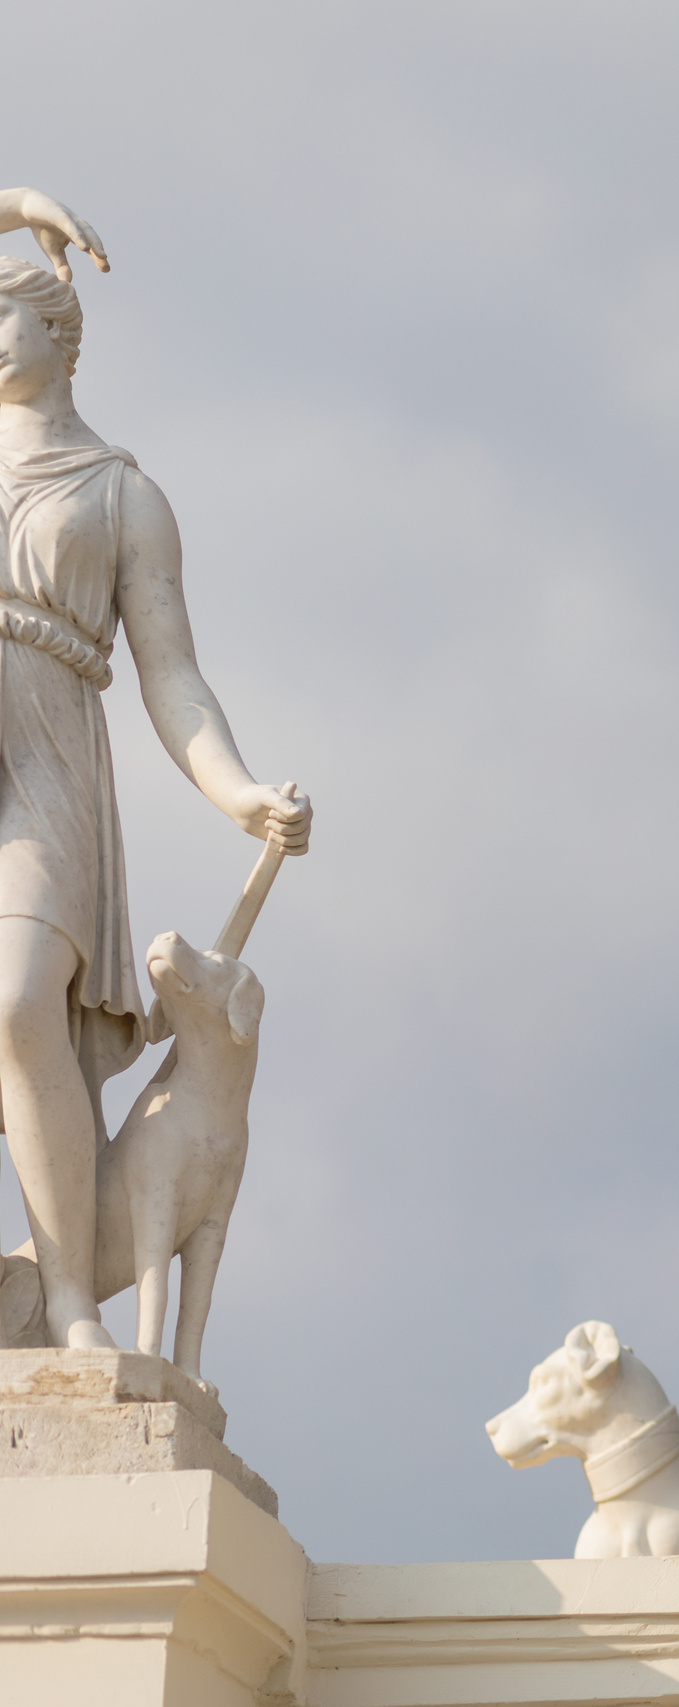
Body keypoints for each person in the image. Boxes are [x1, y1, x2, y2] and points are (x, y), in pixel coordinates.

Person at [0, 209, 310, 1348]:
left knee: (19, 997)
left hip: (45, 757)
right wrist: (16, 193)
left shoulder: (122, 493)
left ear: (56, 330)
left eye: (4, 312)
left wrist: (239, 792)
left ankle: (72, 1299)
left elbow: (173, 677)